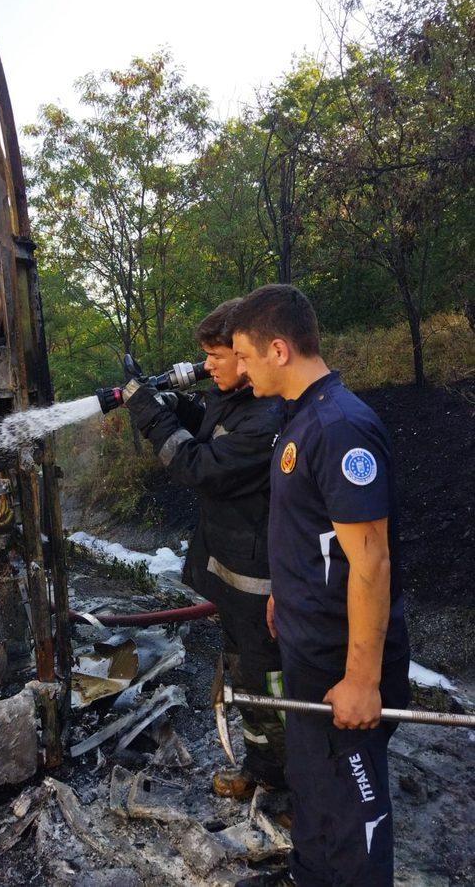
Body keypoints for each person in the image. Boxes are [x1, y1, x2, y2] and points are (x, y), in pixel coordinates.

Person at [230, 284, 410, 887]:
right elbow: (315, 532)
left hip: (343, 661)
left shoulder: (339, 428)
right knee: (313, 784)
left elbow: (371, 563)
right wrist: (287, 588)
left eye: (247, 357)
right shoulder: (299, 418)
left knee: (350, 803)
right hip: (308, 649)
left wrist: (362, 679)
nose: (241, 371)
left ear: (278, 350)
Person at [122, 299, 286, 797]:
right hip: (237, 583)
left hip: (264, 593)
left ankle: (287, 793)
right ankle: (261, 772)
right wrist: (175, 405)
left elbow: (202, 467)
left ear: (247, 352)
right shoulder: (236, 397)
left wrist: (153, 417)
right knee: (245, 681)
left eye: (217, 355)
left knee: (270, 690)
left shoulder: (268, 416)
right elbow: (211, 423)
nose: (208, 365)